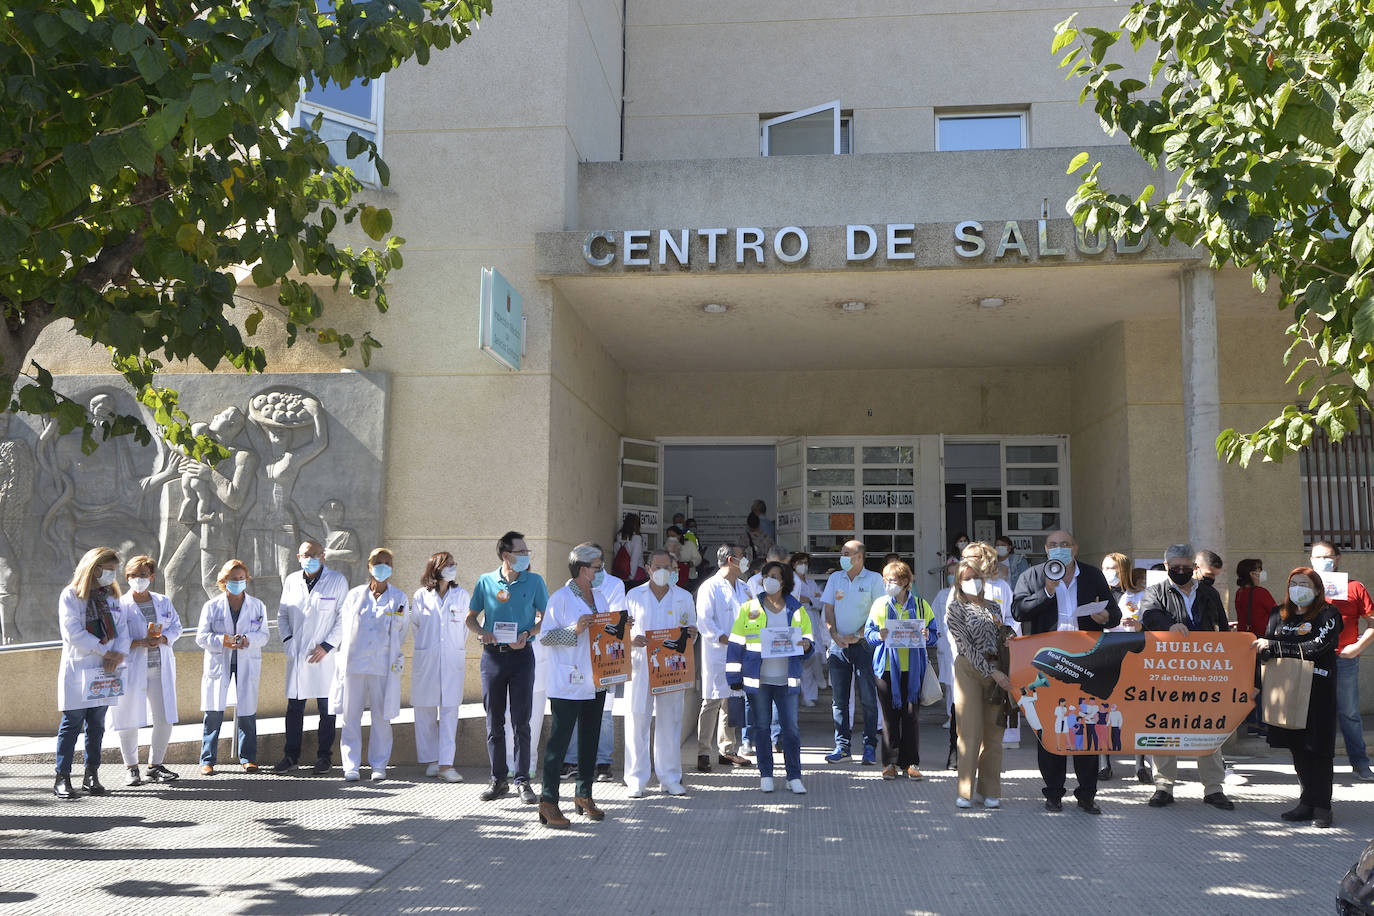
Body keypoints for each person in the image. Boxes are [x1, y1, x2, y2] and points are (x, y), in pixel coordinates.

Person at [1010, 529, 1119, 815]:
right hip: (1047, 664)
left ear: (1075, 547)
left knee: (1086, 726)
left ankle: (1087, 794)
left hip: (1086, 663)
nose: (1059, 549)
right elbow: (1019, 611)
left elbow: (1115, 613)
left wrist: (1107, 617)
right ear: (1046, 550)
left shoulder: (1093, 575)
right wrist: (1047, 590)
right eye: (1054, 545)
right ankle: (1053, 793)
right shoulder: (1032, 576)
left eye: (1065, 544)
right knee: (1051, 727)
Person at [1139, 543, 1234, 811]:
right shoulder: (1155, 591)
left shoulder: (1208, 593)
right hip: (1167, 671)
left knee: (1209, 726)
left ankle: (1214, 787)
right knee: (1164, 725)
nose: (1181, 571)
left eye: (1186, 567)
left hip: (1206, 671)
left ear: (1193, 567)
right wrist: (1170, 626)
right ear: (1167, 566)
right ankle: (1164, 786)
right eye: (1175, 567)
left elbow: (1223, 628)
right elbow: (1149, 615)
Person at [1254, 567, 1342, 827]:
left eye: (1304, 584)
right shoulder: (1277, 614)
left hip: (1318, 689)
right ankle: (1306, 801)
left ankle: (1323, 806)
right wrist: (1264, 652)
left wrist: (1276, 647)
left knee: (1318, 748)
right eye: (1294, 583)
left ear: (1316, 590)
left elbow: (1316, 647)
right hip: (1285, 689)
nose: (1298, 589)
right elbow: (1267, 647)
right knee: (1297, 747)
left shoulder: (1328, 614)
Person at [468, 531, 548, 805]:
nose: (527, 556)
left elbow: (546, 618)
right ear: (506, 555)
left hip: (522, 656)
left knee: (521, 720)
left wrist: (528, 634)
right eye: (521, 552)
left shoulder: (534, 581)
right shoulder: (486, 581)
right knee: (494, 721)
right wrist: (482, 633)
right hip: (492, 657)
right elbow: (471, 618)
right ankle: (498, 779)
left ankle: (523, 780)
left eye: (527, 552)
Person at [537, 543, 612, 828]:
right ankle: (548, 801)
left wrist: (620, 626)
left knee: (590, 739)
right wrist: (574, 631)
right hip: (569, 680)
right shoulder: (560, 598)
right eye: (597, 566)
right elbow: (545, 637)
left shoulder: (601, 597)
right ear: (583, 569)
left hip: (596, 678)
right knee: (559, 741)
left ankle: (584, 795)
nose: (601, 570)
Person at [726, 560, 813, 794]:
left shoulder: (796, 608)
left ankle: (794, 776)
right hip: (759, 680)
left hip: (787, 679)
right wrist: (733, 675)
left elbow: (808, 637)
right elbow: (736, 644)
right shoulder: (750, 608)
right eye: (767, 575)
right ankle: (766, 774)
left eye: (775, 575)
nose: (770, 579)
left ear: (784, 581)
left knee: (791, 730)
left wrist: (807, 644)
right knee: (762, 728)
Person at [53, 547, 130, 798]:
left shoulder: (112, 598)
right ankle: (62, 777)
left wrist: (117, 654)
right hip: (80, 668)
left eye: (113, 570)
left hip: (104, 671)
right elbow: (73, 633)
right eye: (107, 569)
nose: (111, 574)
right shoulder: (71, 596)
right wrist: (105, 652)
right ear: (93, 568)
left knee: (97, 725)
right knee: (72, 723)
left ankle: (91, 775)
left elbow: (122, 631)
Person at [624, 549, 696, 797]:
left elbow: (691, 629)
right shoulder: (633, 595)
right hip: (640, 665)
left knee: (671, 721)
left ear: (674, 569)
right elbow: (623, 631)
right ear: (648, 568)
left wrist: (690, 635)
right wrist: (632, 639)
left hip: (671, 669)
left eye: (668, 567)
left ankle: (670, 777)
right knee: (637, 720)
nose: (663, 571)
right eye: (658, 566)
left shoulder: (684, 597)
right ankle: (636, 779)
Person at [332, 548, 408, 782]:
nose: (383, 566)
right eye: (378, 562)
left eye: (387, 562)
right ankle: (351, 765)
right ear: (369, 566)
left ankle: (379, 765)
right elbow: (344, 628)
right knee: (350, 717)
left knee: (381, 717)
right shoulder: (354, 596)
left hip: (382, 666)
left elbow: (401, 631)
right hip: (354, 665)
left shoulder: (399, 598)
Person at [274, 540, 348, 775]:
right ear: (299, 557)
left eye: (316, 554)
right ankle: (290, 756)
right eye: (307, 554)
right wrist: (288, 641)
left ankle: (324, 757)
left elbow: (343, 617)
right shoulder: (292, 581)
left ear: (323, 556)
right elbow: (283, 614)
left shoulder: (336, 581)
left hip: (325, 656)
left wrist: (326, 646)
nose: (311, 558)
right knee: (294, 708)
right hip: (297, 654)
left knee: (327, 709)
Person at [110, 555, 182, 786]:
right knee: (128, 718)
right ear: (126, 578)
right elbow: (115, 638)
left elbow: (176, 627)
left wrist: (163, 638)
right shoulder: (120, 605)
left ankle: (155, 765)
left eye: (142, 575)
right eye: (132, 575)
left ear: (151, 576)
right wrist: (140, 642)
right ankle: (131, 768)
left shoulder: (162, 601)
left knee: (164, 718)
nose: (137, 579)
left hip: (159, 668)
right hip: (132, 668)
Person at [947, 558, 1012, 809]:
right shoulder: (956, 608)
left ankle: (990, 790)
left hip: (997, 668)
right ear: (959, 582)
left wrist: (1009, 638)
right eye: (966, 578)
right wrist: (991, 673)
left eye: (975, 577)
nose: (972, 581)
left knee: (994, 734)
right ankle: (965, 791)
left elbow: (1002, 632)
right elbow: (965, 645)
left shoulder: (994, 607)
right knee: (970, 732)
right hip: (970, 671)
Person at [864, 560, 937, 780]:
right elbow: (869, 634)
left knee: (911, 717)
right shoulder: (880, 605)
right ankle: (889, 763)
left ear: (906, 582)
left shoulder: (922, 605)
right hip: (886, 669)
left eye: (892, 580)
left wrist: (926, 635)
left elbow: (933, 634)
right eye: (885, 580)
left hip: (913, 670)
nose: (888, 584)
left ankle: (910, 763)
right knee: (889, 718)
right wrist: (879, 636)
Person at [195, 559, 268, 776]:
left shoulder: (257, 605)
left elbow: (264, 635)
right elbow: (201, 637)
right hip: (220, 662)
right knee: (214, 711)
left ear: (246, 579)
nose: (237, 582)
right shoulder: (211, 606)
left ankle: (248, 758)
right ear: (223, 581)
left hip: (246, 661)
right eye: (232, 579)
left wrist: (248, 639)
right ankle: (207, 760)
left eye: (241, 578)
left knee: (247, 710)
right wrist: (224, 641)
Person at [1310, 541, 1374, 781]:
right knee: (1313, 712)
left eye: (1326, 556)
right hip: (1311, 658)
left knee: (1349, 712)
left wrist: (1358, 647)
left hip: (1344, 659)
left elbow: (1372, 621)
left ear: (1337, 558)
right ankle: (1316, 765)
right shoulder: (1303, 586)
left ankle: (1360, 762)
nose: (1321, 561)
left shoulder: (1355, 587)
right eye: (1316, 557)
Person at [822, 539, 884, 765]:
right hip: (838, 647)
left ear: (859, 557)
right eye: (842, 553)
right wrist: (834, 633)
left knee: (868, 698)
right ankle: (842, 747)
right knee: (839, 700)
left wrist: (858, 634)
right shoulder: (835, 578)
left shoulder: (874, 579)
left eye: (847, 553)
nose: (842, 557)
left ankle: (869, 746)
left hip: (865, 646)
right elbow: (828, 608)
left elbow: (878, 613)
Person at [409, 551, 470, 782]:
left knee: (449, 712)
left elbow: (464, 629)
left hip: (451, 661)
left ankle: (446, 764)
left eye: (454, 564)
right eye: (448, 564)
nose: (452, 568)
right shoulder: (420, 596)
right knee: (424, 712)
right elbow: (416, 627)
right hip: (427, 660)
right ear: (435, 568)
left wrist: (449, 649)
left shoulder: (461, 595)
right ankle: (432, 761)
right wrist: (430, 649)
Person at [563, 562, 624, 782]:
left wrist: (597, 622)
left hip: (604, 657)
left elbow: (615, 617)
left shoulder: (615, 585)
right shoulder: (570, 588)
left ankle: (603, 763)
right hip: (578, 658)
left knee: (605, 712)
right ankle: (571, 761)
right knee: (577, 708)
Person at [695, 544, 752, 771]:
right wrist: (726, 638)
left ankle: (727, 750)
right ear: (731, 560)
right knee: (712, 701)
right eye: (742, 557)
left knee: (732, 700)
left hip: (741, 652)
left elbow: (754, 615)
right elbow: (704, 621)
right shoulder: (710, 587)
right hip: (718, 652)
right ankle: (702, 752)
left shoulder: (745, 588)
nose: (745, 560)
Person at [1099, 551, 1146, 780]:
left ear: (1124, 570)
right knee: (1104, 709)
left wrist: (1139, 625)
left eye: (1113, 569)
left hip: (1132, 656)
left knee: (1134, 709)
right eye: (1105, 568)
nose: (1108, 573)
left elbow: (1151, 625)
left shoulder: (1140, 595)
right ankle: (1104, 762)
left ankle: (1140, 764)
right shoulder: (1097, 595)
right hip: (1105, 655)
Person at [1235, 558, 1277, 738]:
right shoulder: (1261, 592)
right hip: (1262, 641)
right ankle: (1262, 724)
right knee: (1262, 684)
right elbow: (1276, 614)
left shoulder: (1239, 593)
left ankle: (1252, 723)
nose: (1261, 573)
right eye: (1259, 570)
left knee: (1252, 683)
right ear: (1252, 574)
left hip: (1246, 641)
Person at [790, 552, 825, 707]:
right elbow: (793, 601)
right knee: (806, 659)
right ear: (793, 564)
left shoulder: (811, 583)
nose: (803, 565)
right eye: (800, 562)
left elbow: (820, 601)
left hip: (814, 619)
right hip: (800, 622)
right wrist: (808, 600)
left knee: (816, 654)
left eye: (805, 562)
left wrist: (809, 600)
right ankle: (808, 695)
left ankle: (816, 686)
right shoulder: (791, 581)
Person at [611, 513, 646, 584]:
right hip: (636, 572)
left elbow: (616, 555)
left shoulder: (618, 536)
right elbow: (634, 559)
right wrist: (631, 576)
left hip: (620, 572)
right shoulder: (637, 538)